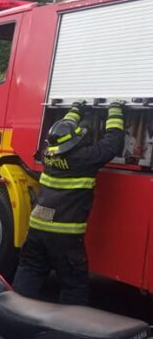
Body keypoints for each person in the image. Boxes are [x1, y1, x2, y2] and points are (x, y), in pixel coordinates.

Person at [13, 100, 125, 305]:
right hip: (65, 236)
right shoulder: (84, 158)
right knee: (74, 284)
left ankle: (14, 313)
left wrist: (75, 110)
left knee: (30, 271)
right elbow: (113, 143)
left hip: (37, 229)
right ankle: (69, 327)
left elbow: (60, 130)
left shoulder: (48, 156)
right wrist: (115, 109)